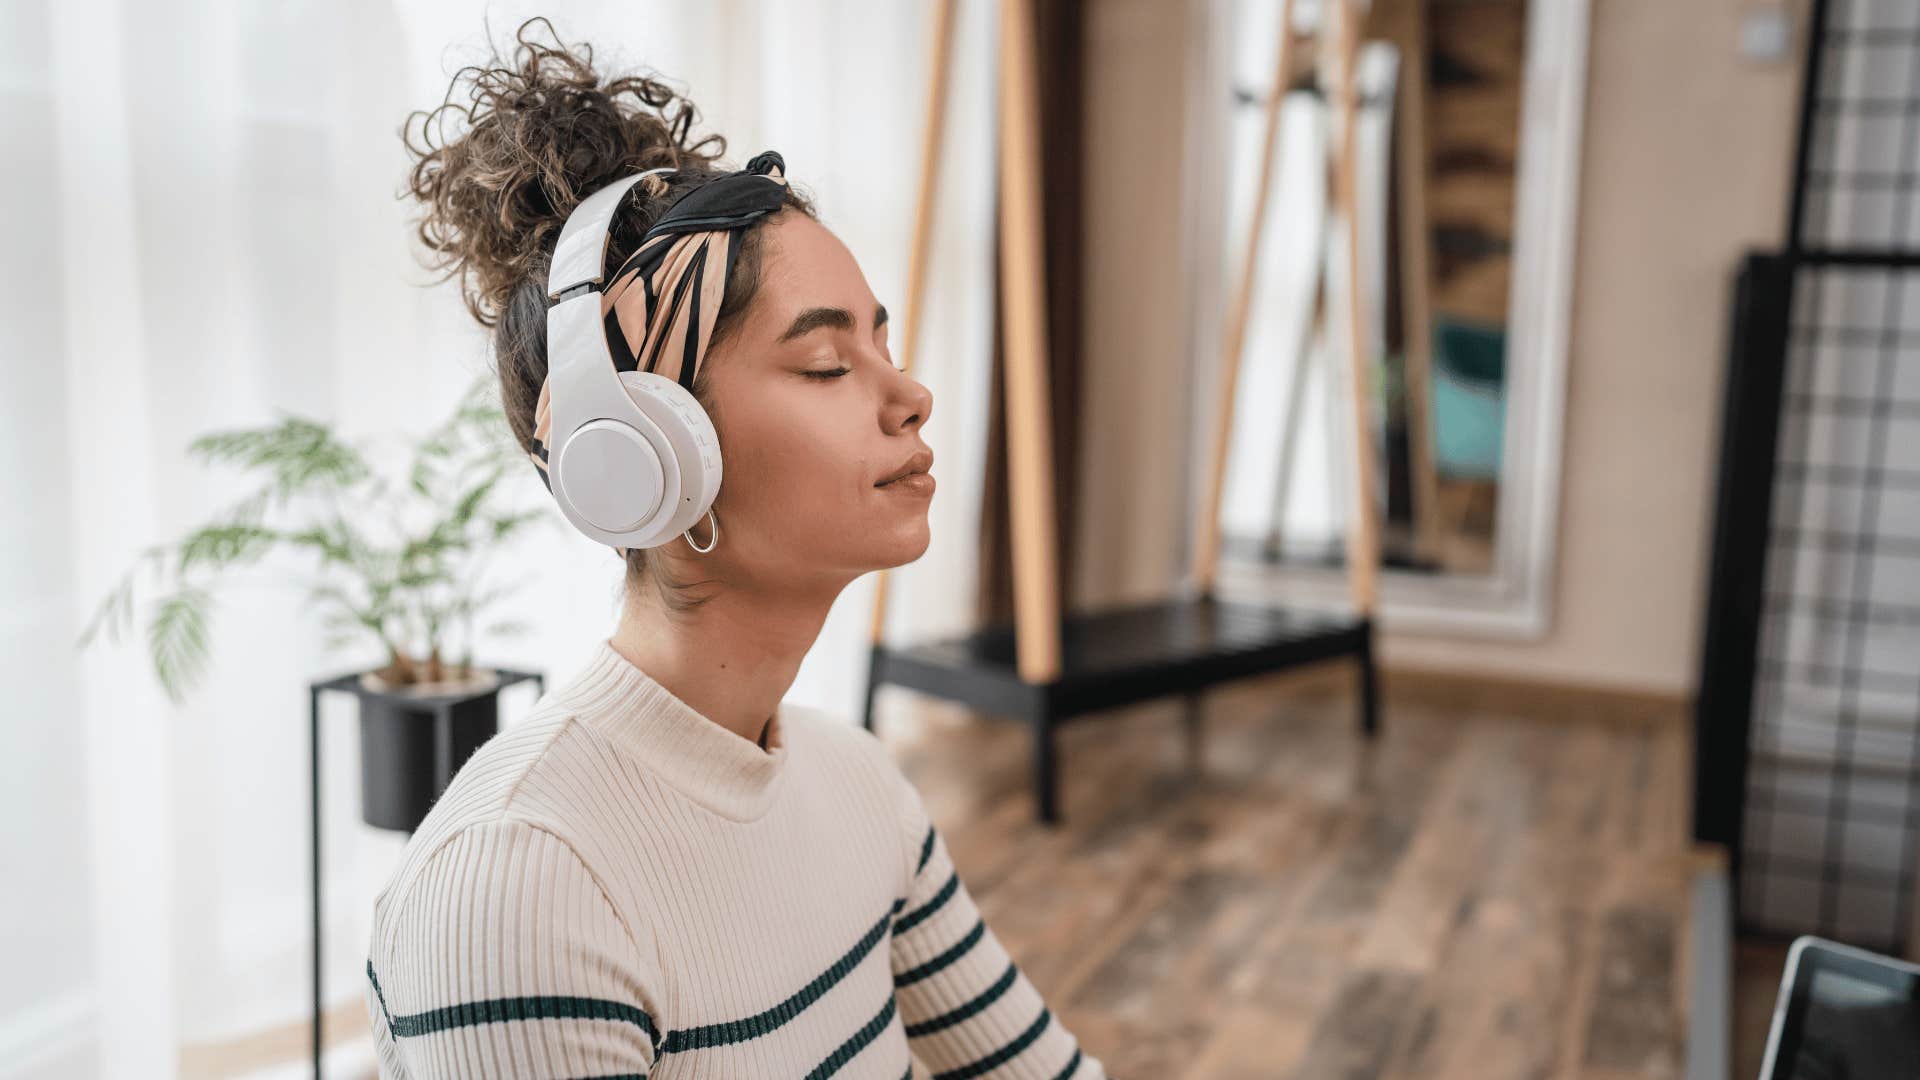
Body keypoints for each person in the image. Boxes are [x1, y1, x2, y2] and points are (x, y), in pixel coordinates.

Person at [363, 17, 1107, 1080]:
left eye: (881, 340)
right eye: (823, 364)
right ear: (645, 452)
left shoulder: (861, 789)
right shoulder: (520, 885)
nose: (911, 396)